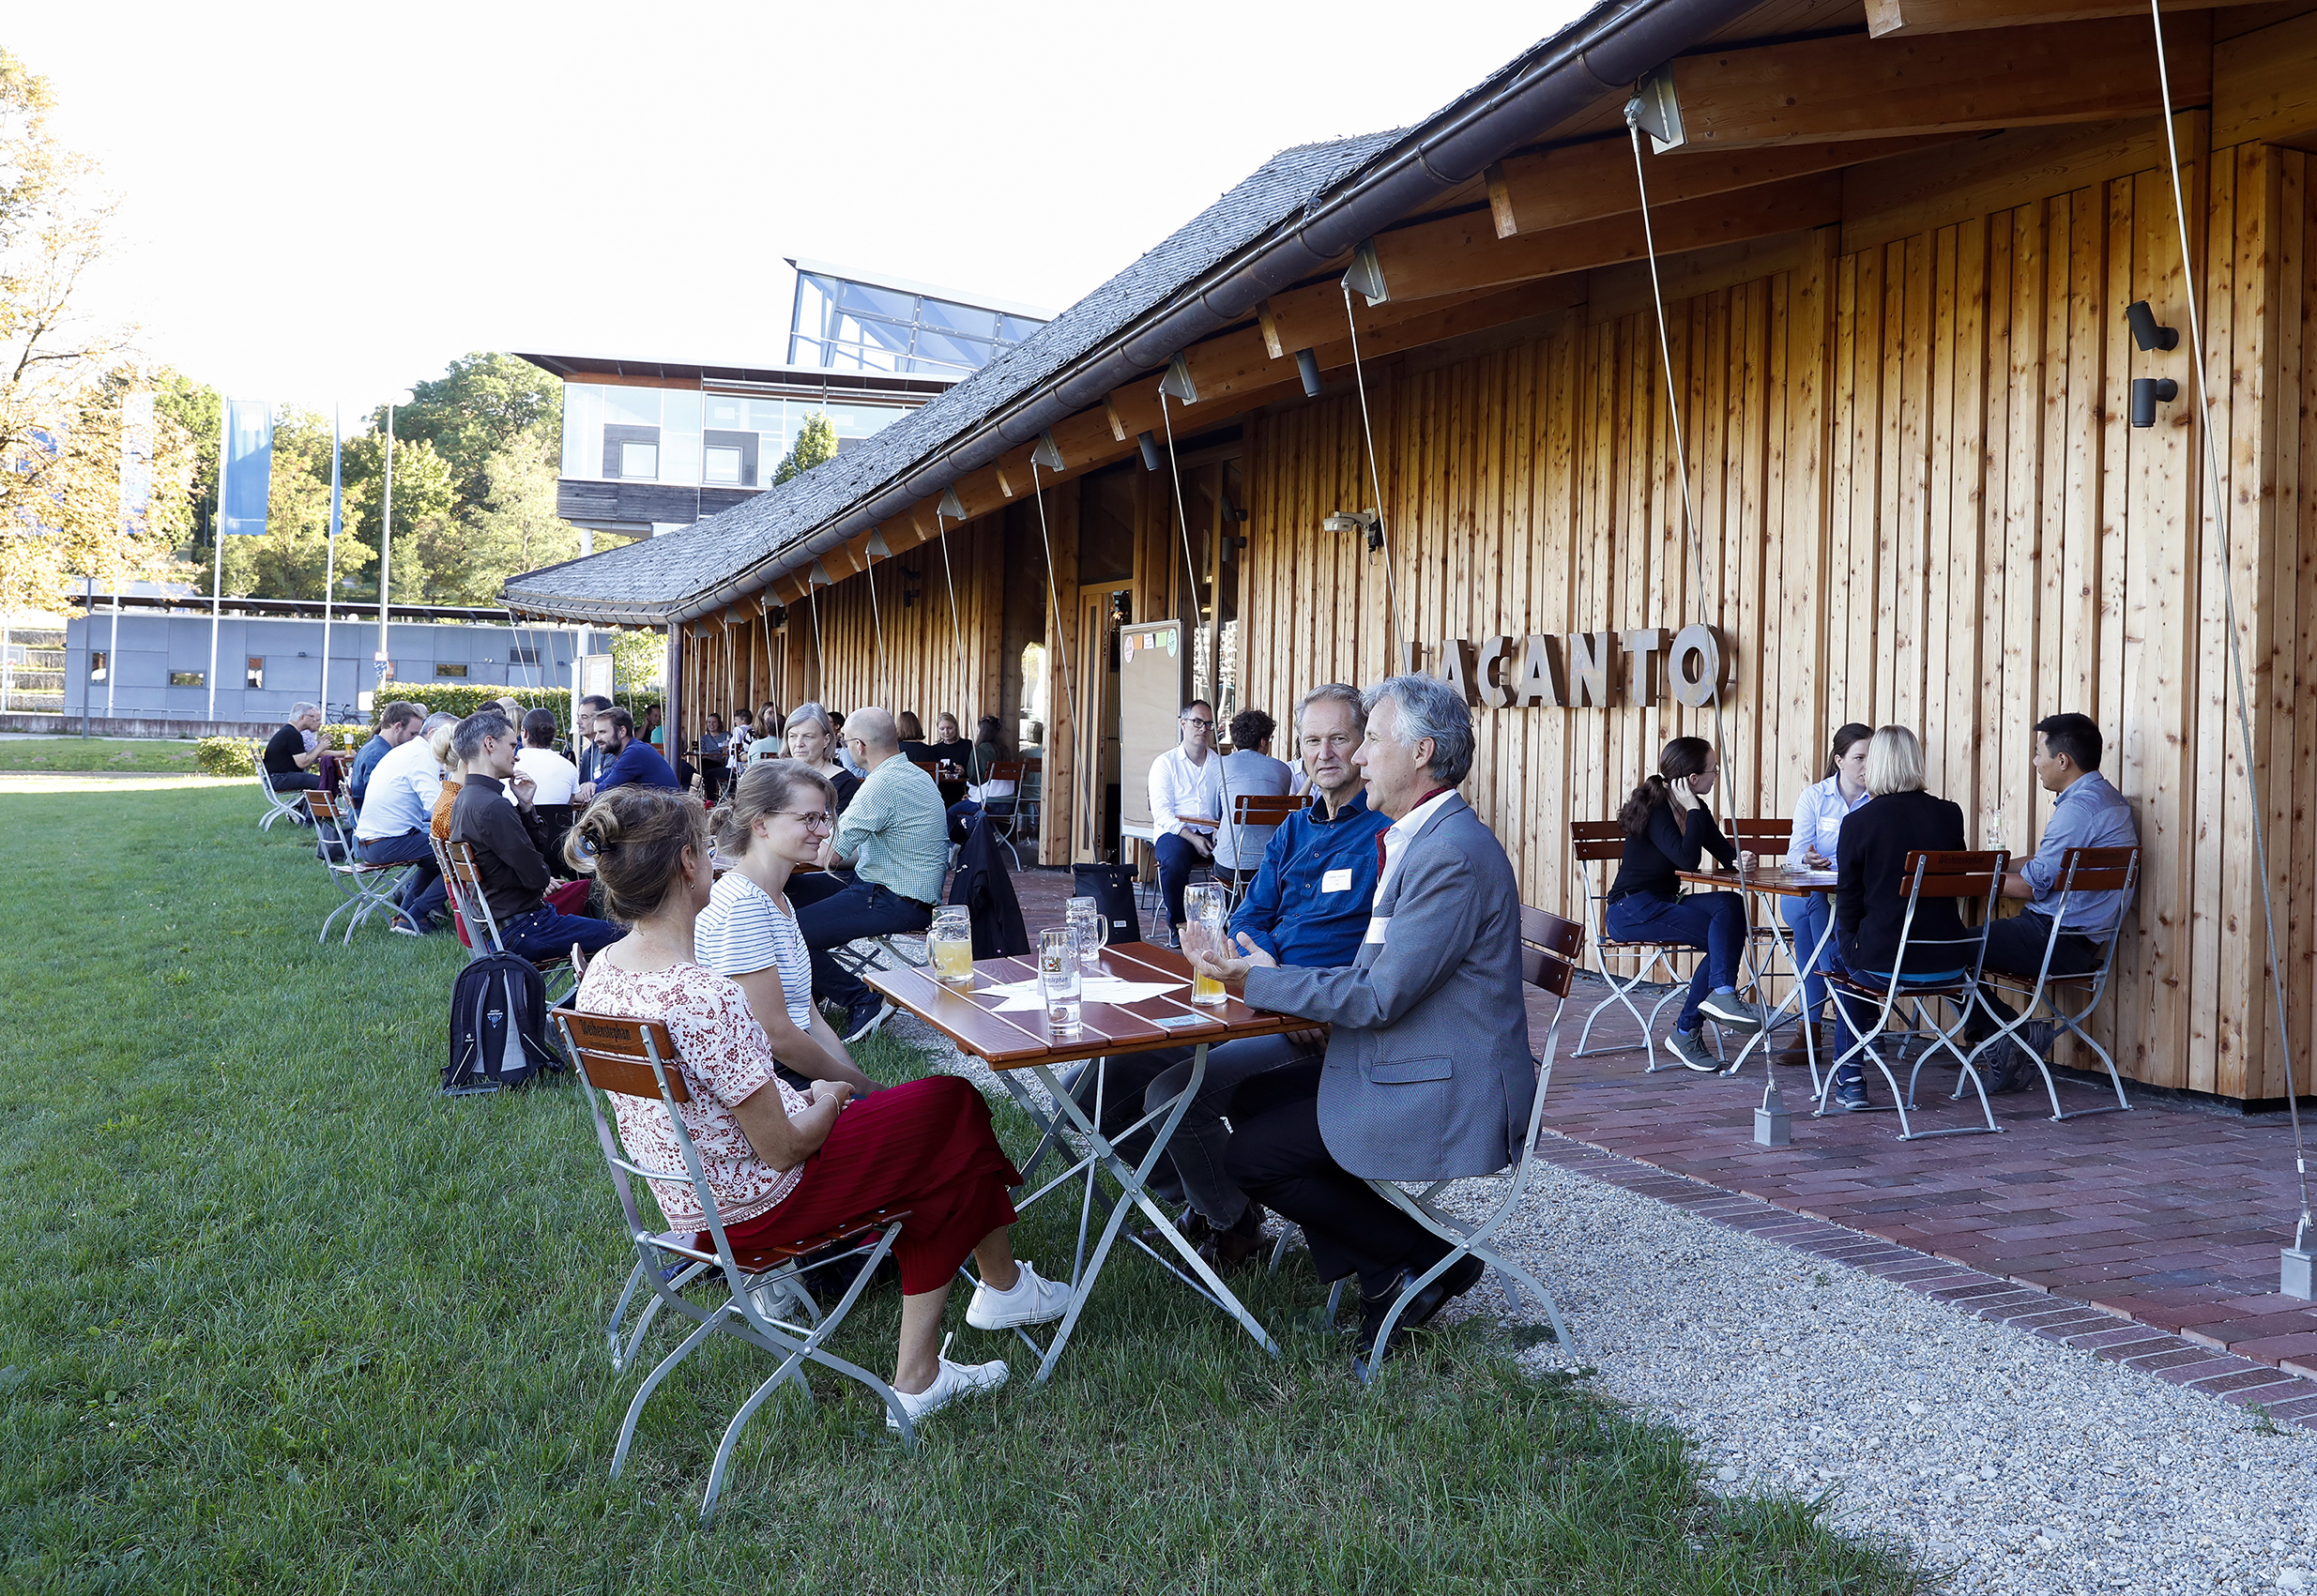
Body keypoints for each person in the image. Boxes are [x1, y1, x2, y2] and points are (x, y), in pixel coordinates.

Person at [565, 785, 1073, 1427]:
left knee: (946, 1133)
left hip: (688, 1202)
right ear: (689, 864)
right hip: (755, 1207)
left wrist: (816, 1094)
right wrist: (832, 1096)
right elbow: (784, 1148)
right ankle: (952, 1339)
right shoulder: (702, 995)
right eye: (706, 849)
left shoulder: (603, 973)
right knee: (953, 1107)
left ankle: (970, 1324)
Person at [1185, 675, 1534, 1374]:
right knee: (1251, 1099)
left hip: (1447, 1084)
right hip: (1415, 1055)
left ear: (1422, 754)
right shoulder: (1425, 837)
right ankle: (1391, 1271)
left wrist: (1253, 978)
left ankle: (1425, 1263)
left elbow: (1379, 998)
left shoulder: (1449, 855)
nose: (1358, 756)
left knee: (1251, 1156)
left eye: (1370, 739)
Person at [1093, 682, 1392, 1271]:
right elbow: (1250, 916)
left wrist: (1293, 988)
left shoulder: (1385, 835)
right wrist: (1274, 971)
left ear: (1365, 746)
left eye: (1339, 738)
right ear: (1298, 750)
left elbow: (1377, 952)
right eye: (1311, 741)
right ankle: (1215, 1202)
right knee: (1107, 1080)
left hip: (1323, 1025)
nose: (1324, 753)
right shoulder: (1295, 829)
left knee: (1169, 1094)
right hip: (1260, 996)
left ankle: (1232, 1227)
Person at [1967, 712, 2140, 1091]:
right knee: (1957, 945)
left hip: (2054, 940)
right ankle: (2008, 1037)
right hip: (2081, 943)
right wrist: (1989, 865)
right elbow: (2048, 866)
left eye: (2037, 753)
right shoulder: (2105, 800)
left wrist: (1976, 879)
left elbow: (2032, 887)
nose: (2034, 762)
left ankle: (2009, 1037)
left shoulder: (2077, 810)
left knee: (1948, 949)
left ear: (2063, 760)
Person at [696, 761, 884, 1098]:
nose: (825, 832)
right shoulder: (744, 905)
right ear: (761, 823)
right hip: (768, 1089)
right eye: (809, 819)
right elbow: (776, 1036)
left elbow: (808, 1015)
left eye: (824, 818)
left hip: (788, 1078)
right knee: (952, 1102)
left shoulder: (773, 895)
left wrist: (861, 1088)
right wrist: (861, 1088)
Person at [1822, 726, 1974, 1112]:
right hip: (1950, 961)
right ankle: (1987, 1038)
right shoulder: (1949, 814)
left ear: (1879, 764)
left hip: (1888, 967)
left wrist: (1849, 944)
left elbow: (1849, 901)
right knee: (1855, 955)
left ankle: (1852, 1079)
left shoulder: (1859, 822)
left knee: (1842, 963)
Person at [1604, 737, 1763, 1071]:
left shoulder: (1696, 811)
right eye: (1713, 770)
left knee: (1730, 906)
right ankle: (1694, 1022)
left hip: (1666, 902)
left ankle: (1713, 1002)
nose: (1716, 775)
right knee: (1724, 934)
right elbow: (1687, 860)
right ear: (1693, 780)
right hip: (1630, 910)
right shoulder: (1659, 810)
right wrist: (1692, 810)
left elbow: (1723, 852)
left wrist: (1740, 859)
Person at [791, 708, 949, 1042]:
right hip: (887, 885)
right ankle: (812, 988)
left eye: (846, 742)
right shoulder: (913, 774)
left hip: (892, 897)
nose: (846, 749)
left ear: (859, 746)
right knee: (788, 889)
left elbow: (827, 855)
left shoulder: (881, 784)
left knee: (787, 934)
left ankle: (862, 999)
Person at [447, 712, 625, 960]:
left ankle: (581, 995)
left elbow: (533, 865)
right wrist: (541, 875)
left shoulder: (465, 799)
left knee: (607, 928)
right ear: (489, 744)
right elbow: (538, 877)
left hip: (506, 926)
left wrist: (526, 807)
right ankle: (585, 998)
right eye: (511, 745)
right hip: (525, 929)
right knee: (627, 936)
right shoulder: (491, 807)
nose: (516, 755)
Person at [1773, 722, 1874, 1068]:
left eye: (1871, 757)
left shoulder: (1878, 801)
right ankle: (1854, 1005)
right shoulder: (1815, 796)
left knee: (1809, 933)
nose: (1866, 765)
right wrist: (1807, 858)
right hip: (1804, 893)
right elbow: (1793, 854)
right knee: (1815, 908)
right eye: (1859, 757)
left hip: (1852, 901)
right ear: (1839, 760)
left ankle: (1810, 1031)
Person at [354, 709, 459, 934]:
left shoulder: (406, 751)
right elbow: (436, 808)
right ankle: (414, 915)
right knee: (460, 857)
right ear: (433, 733)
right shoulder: (423, 756)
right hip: (386, 843)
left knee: (437, 853)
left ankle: (407, 915)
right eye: (453, 739)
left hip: (371, 842)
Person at [1148, 700, 1223, 944]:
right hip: (1178, 832)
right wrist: (1192, 837)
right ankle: (1178, 926)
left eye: (1209, 724)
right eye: (1197, 722)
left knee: (1241, 852)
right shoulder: (1165, 763)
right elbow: (1162, 813)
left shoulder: (1220, 763)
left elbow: (1227, 806)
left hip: (1214, 831)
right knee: (1174, 859)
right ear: (1183, 724)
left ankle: (1229, 923)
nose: (1203, 729)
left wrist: (1222, 831)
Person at [1212, 707, 1294, 884]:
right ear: (1263, 741)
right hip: (1271, 862)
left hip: (1230, 864)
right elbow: (1279, 811)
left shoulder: (1218, 766)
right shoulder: (1282, 769)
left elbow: (1213, 812)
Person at [515, 708, 581, 865]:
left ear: (524, 733)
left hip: (521, 848)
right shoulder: (568, 767)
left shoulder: (511, 764)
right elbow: (569, 805)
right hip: (559, 849)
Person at [578, 707, 680, 800]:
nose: (596, 739)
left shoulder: (635, 753)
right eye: (596, 733)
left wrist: (574, 795)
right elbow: (602, 780)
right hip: (659, 815)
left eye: (602, 732)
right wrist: (589, 784)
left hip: (665, 818)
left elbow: (602, 793)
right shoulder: (632, 750)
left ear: (622, 732)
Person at [349, 701, 424, 817]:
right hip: (375, 821)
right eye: (412, 734)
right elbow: (381, 798)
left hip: (368, 817)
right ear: (398, 727)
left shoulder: (372, 747)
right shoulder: (378, 755)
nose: (415, 740)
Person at [946, 716, 1014, 840]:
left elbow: (974, 779)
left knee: (951, 812)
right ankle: (993, 833)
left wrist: (970, 794)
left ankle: (954, 845)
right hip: (1008, 804)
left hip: (986, 803)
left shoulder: (979, 751)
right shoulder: (1007, 752)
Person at [783, 703, 861, 812]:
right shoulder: (779, 778)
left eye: (808, 736)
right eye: (793, 736)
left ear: (826, 740)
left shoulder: (845, 784)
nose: (799, 743)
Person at [262, 703, 329, 809]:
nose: (315, 720)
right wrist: (320, 747)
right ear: (302, 717)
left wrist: (318, 748)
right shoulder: (292, 734)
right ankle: (310, 818)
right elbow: (303, 763)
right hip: (280, 778)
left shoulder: (289, 732)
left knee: (317, 780)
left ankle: (303, 810)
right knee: (321, 782)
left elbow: (303, 758)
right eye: (312, 717)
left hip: (276, 778)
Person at [572, 694, 613, 787]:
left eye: (584, 717)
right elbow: (581, 788)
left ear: (602, 719)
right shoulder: (587, 753)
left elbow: (608, 787)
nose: (578, 722)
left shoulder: (612, 750)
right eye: (579, 717)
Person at [697, 713, 732, 804]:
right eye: (709, 722)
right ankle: (711, 799)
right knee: (704, 764)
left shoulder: (726, 735)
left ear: (719, 723)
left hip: (722, 764)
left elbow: (728, 752)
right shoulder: (704, 738)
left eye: (714, 722)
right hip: (709, 762)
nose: (711, 724)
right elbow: (702, 754)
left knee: (706, 770)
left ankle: (711, 799)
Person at [928, 713, 971, 778]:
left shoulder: (968, 745)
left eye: (949, 728)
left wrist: (964, 772)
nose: (946, 732)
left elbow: (975, 772)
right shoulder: (934, 749)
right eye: (942, 729)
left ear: (956, 727)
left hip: (962, 786)